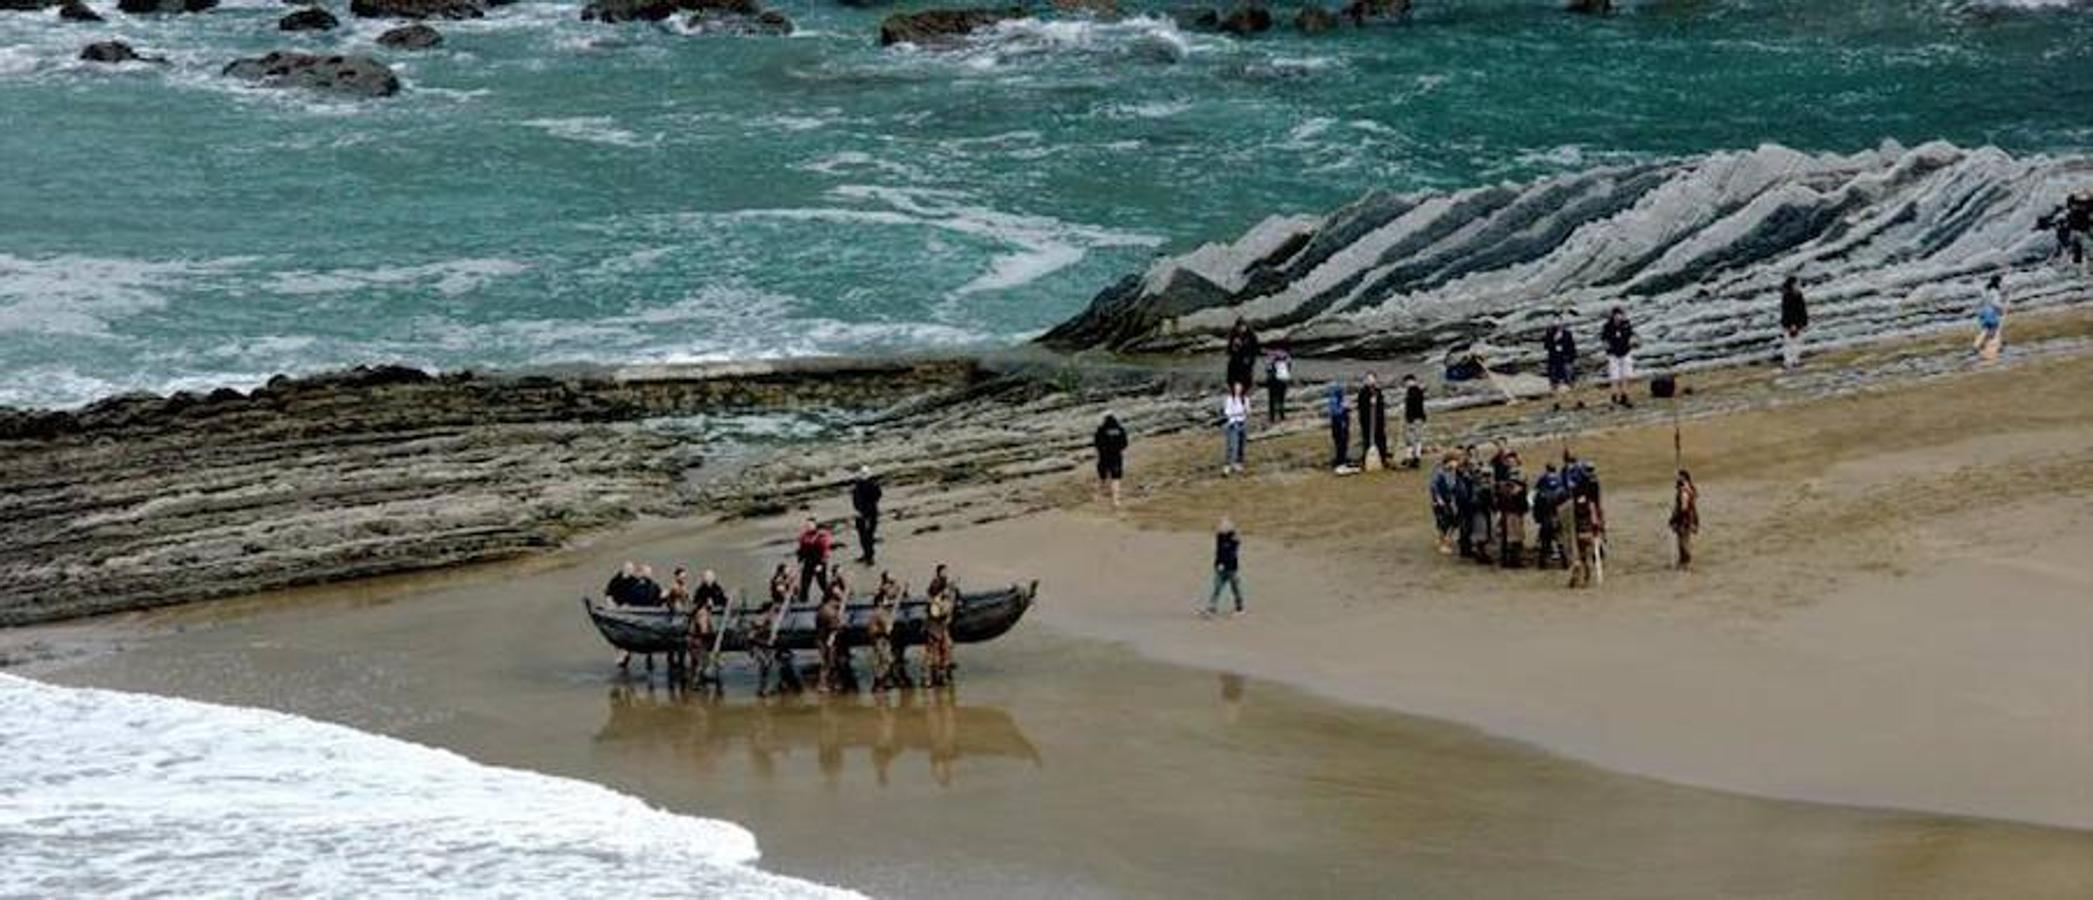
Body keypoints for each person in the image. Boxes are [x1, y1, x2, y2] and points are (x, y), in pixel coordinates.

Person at [1566, 464, 1607, 589]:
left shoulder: (1577, 495)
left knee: (1580, 555)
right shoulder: (1590, 492)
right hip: (1586, 527)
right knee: (1586, 555)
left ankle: (1580, 576)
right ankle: (1584, 578)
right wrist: (1598, 526)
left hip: (1581, 527)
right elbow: (1595, 509)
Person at [867, 573, 905, 692]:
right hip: (880, 638)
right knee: (886, 660)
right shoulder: (880, 613)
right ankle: (879, 683)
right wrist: (889, 624)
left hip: (880, 638)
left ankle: (882, 682)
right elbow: (888, 629)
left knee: (883, 660)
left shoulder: (879, 611)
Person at [1203, 518, 1245, 617]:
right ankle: (1211, 608)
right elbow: (1218, 552)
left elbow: (1232, 552)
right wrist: (1218, 565)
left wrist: (1235, 534)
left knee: (1235, 588)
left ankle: (1239, 608)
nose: (1220, 529)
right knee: (1217, 587)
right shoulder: (1219, 537)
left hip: (1231, 569)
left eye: (1223, 527)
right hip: (1220, 568)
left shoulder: (1233, 539)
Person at [815, 579, 851, 694]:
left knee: (833, 662)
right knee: (827, 663)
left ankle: (833, 683)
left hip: (829, 638)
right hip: (825, 640)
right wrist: (842, 624)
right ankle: (822, 685)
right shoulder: (827, 610)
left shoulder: (830, 608)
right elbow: (835, 626)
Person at [1496, 452, 1529, 569]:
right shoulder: (1505, 478)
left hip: (1515, 510)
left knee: (1516, 536)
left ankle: (1513, 559)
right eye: (1509, 462)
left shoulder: (1518, 477)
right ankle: (1510, 560)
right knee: (1511, 537)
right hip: (1509, 510)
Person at [924, 573, 957, 687]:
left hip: (941, 628)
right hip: (935, 628)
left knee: (946, 649)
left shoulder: (941, 600)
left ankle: (941, 676)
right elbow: (938, 613)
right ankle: (929, 678)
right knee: (933, 653)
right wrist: (947, 606)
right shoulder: (935, 603)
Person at [1601, 306, 1636, 408]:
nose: (1618, 317)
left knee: (1626, 375)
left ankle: (1625, 395)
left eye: (1620, 315)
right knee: (1614, 376)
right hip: (1613, 354)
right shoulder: (1608, 326)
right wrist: (1608, 348)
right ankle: (1614, 396)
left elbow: (1631, 336)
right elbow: (1604, 339)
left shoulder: (1626, 325)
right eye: (1616, 315)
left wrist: (1632, 342)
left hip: (1625, 352)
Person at [1094, 413, 1129, 508]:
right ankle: (1116, 500)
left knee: (1102, 477)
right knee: (1116, 478)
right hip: (1116, 457)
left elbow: (1097, 444)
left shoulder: (1101, 430)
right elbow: (1125, 444)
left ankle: (1098, 496)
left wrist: (1102, 451)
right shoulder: (1120, 430)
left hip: (1104, 456)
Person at [1543, 311, 1578, 405]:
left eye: (1559, 320)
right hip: (1554, 360)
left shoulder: (1567, 333)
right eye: (1555, 320)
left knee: (1570, 380)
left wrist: (1572, 358)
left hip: (1566, 359)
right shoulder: (1549, 333)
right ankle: (1556, 401)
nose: (1557, 322)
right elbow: (1546, 346)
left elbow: (1572, 346)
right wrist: (1553, 339)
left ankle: (1574, 400)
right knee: (1554, 382)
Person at [794, 518, 832, 605]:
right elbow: (802, 549)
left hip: (818, 561)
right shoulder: (804, 536)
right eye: (807, 525)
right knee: (805, 582)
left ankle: (830, 596)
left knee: (822, 582)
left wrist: (821, 564)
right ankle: (803, 600)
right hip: (808, 561)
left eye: (810, 525)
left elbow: (825, 551)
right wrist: (800, 558)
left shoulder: (822, 536)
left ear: (815, 525)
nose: (808, 526)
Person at [1429, 453, 1460, 554]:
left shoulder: (1454, 472)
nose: (1456, 463)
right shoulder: (1439, 472)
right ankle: (1444, 543)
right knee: (1444, 522)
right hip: (1441, 501)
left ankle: (1444, 540)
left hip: (1451, 500)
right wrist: (1438, 499)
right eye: (1455, 461)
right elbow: (1434, 487)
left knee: (1453, 521)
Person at [1357, 373, 1389, 470]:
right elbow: (1361, 406)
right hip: (1367, 421)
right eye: (1369, 379)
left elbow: (1381, 406)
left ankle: (1382, 458)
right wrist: (1369, 401)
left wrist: (1376, 401)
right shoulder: (1363, 392)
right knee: (1367, 439)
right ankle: (1366, 459)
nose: (1371, 381)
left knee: (1380, 438)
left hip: (1378, 420)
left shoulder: (1378, 391)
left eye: (1373, 379)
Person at [851, 467, 882, 566]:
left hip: (865, 513)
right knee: (866, 536)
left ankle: (869, 556)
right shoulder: (870, 485)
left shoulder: (862, 485)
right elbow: (878, 496)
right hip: (866, 513)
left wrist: (858, 509)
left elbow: (856, 500)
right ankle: (868, 555)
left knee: (866, 536)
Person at [1670, 469, 1700, 570]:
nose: (1676, 478)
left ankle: (1685, 564)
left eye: (1679, 477)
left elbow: (1683, 508)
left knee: (1682, 543)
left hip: (1684, 520)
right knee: (1684, 542)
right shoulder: (1688, 489)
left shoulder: (1684, 492)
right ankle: (1683, 564)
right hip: (1687, 520)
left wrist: (1675, 521)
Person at [1974, 275, 2006, 362]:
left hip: (1983, 311)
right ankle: (1996, 346)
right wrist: (2001, 309)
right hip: (1991, 311)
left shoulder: (1985, 291)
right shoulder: (1994, 292)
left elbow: (1981, 301)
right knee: (1994, 329)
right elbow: (1995, 303)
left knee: (1986, 329)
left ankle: (1978, 344)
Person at [1225, 319, 1262, 394]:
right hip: (1235, 363)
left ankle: (1245, 393)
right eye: (1239, 327)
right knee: (1234, 381)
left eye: (1243, 326)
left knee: (1246, 381)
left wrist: (1250, 359)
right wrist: (1234, 347)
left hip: (1247, 362)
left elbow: (1255, 349)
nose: (1241, 329)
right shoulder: (1233, 336)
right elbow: (1229, 350)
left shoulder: (1251, 336)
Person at [1779, 275, 1809, 370]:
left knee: (1798, 342)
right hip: (1790, 323)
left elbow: (1803, 309)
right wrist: (1791, 325)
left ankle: (1796, 361)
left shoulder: (1799, 294)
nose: (1799, 285)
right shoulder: (1787, 296)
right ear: (1792, 284)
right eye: (1797, 283)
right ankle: (1788, 363)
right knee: (1789, 343)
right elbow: (1787, 311)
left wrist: (1804, 322)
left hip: (1799, 322)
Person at [1221, 383, 1250, 476]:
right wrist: (1237, 414)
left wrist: (1246, 412)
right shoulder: (1230, 399)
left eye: (1240, 388)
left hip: (1242, 423)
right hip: (1233, 425)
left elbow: (1248, 411)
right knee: (1232, 445)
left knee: (1241, 445)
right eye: (1236, 388)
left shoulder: (1245, 399)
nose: (1238, 390)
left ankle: (1238, 463)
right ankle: (1227, 465)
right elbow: (1227, 412)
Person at [1400, 374, 1427, 468]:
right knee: (1417, 438)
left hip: (1413, 419)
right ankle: (1416, 457)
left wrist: (1409, 418)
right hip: (1419, 417)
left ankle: (1411, 458)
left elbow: (1411, 407)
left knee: (1410, 439)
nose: (1405, 384)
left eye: (1406, 382)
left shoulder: (1411, 392)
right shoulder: (1419, 391)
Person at [1325, 379, 1351, 471]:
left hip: (1343, 423)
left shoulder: (1340, 398)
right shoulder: (1334, 400)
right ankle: (1340, 461)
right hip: (1338, 424)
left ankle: (1343, 460)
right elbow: (1335, 412)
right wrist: (1344, 408)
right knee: (1340, 443)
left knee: (1343, 443)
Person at [1264, 344, 1292, 423]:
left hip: (1273, 380)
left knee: (1272, 399)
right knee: (1281, 398)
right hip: (1282, 379)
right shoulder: (1286, 356)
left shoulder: (1270, 356)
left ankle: (1272, 417)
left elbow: (1267, 368)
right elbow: (1289, 367)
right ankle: (1281, 416)